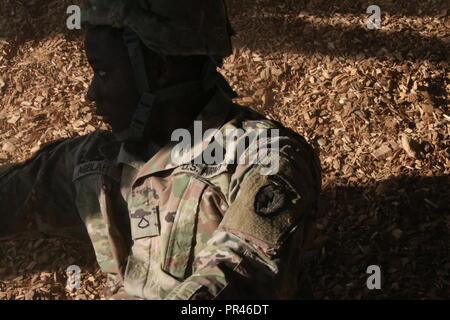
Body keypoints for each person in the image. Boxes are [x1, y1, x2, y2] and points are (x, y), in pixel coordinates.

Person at [0, 0, 321, 299]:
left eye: (103, 72)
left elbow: (239, 280)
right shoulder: (97, 161)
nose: (91, 93)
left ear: (158, 69)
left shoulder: (263, 159)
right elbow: (13, 193)